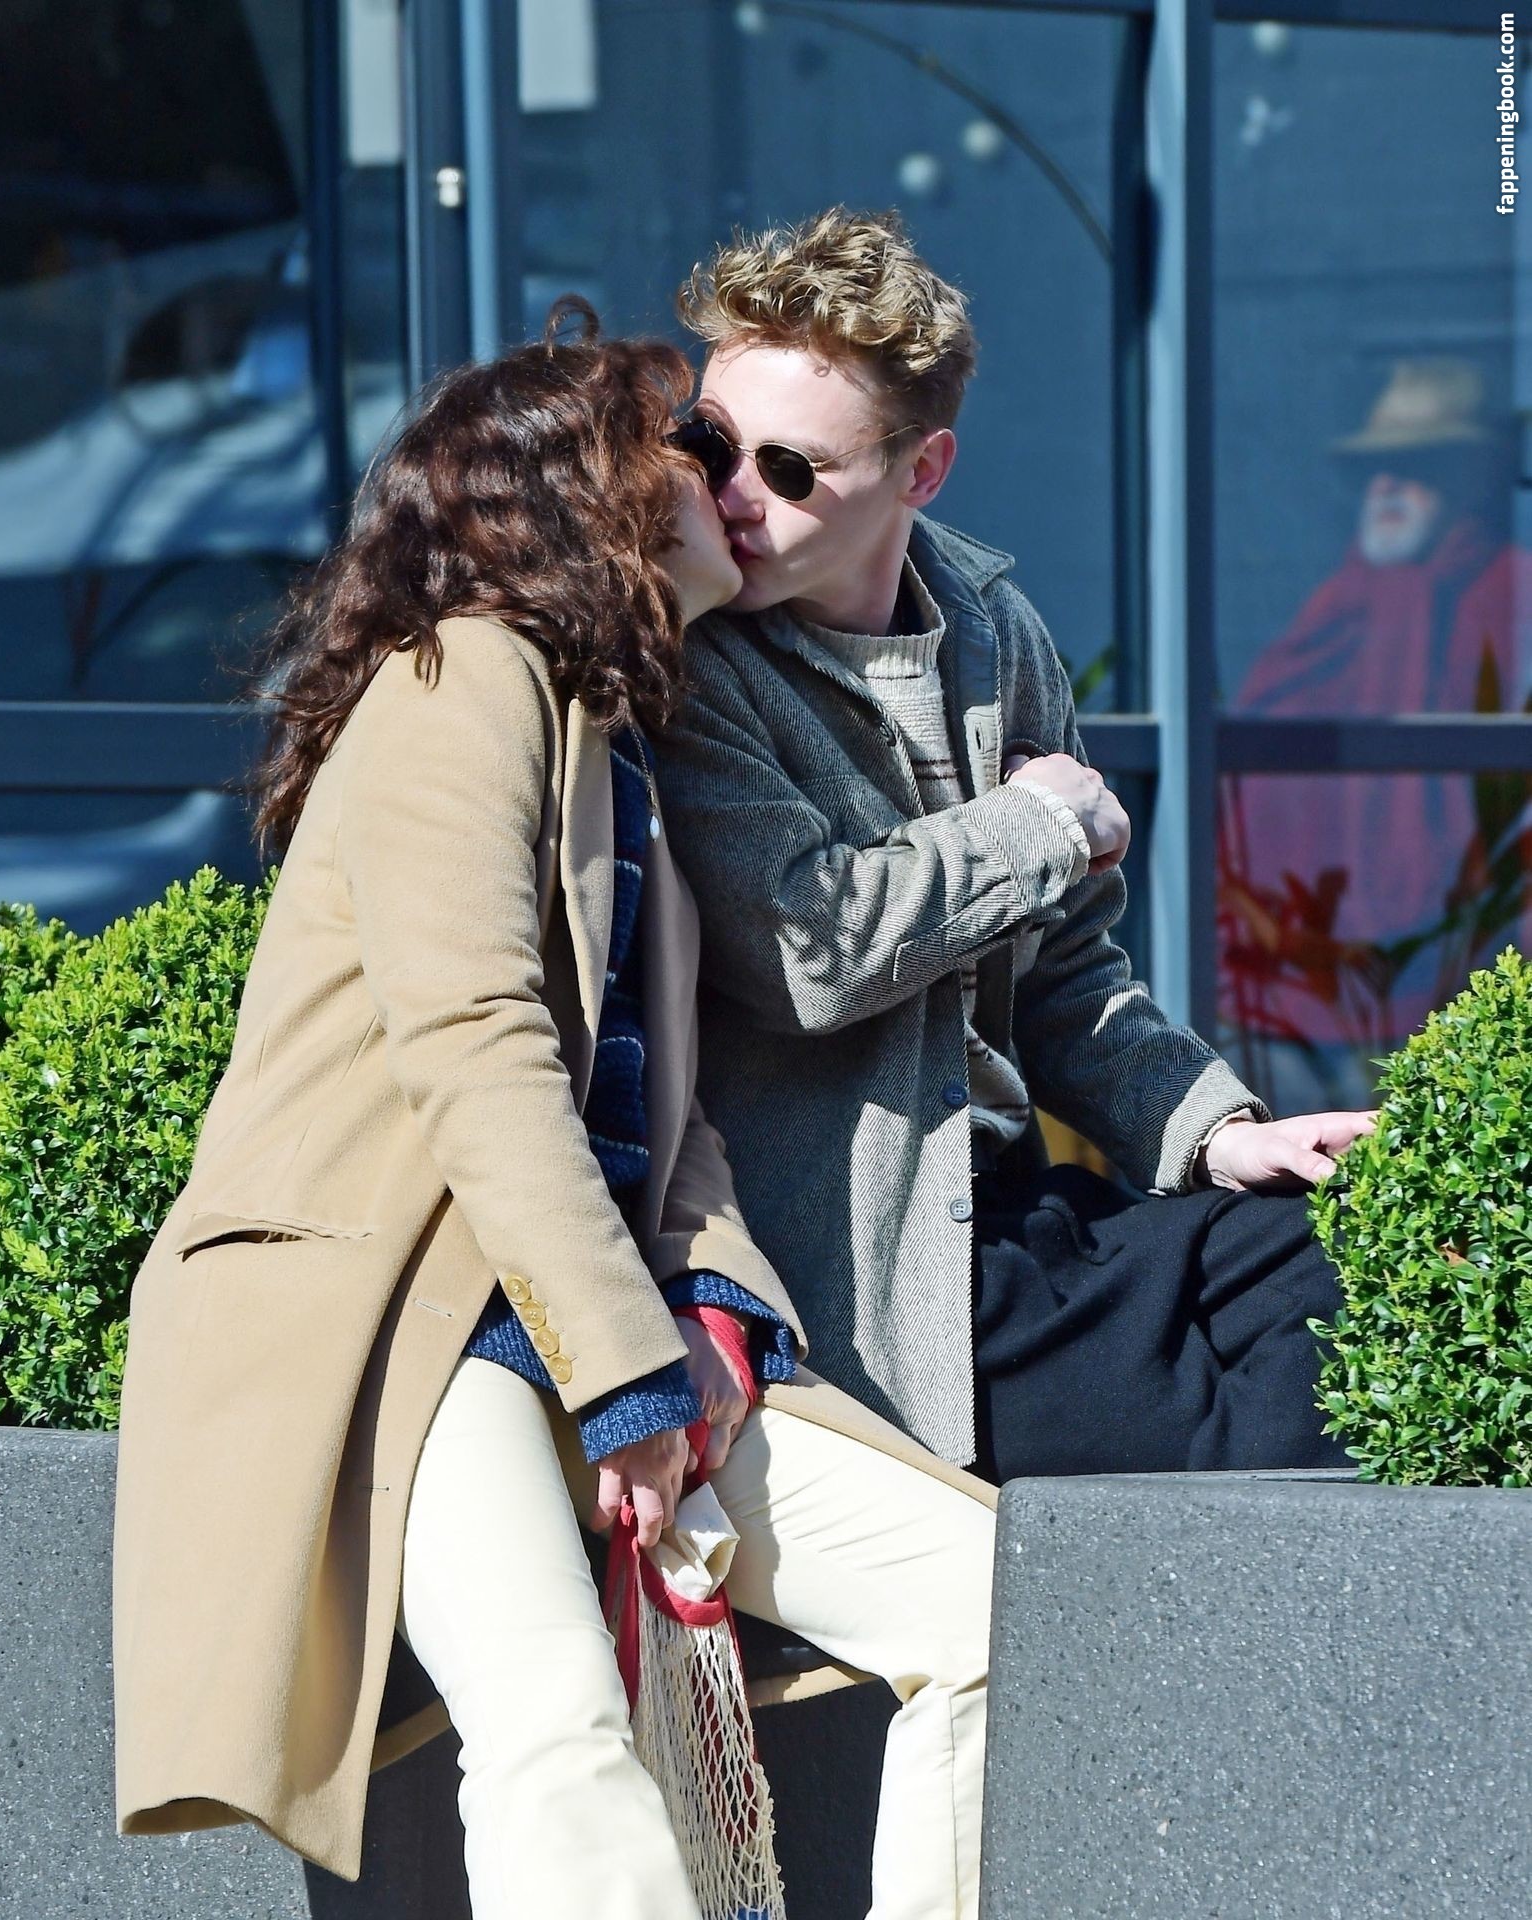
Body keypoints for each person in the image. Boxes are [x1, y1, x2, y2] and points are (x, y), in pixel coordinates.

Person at [110, 301, 997, 1920]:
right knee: (555, 1730)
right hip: (405, 1317)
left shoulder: (614, 736)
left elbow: (663, 1113)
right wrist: (628, 1386)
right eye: (693, 442)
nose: (728, 477)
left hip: (591, 1316)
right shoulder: (463, 674)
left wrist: (712, 1307)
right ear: (586, 488)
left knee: (977, 1603)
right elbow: (480, 1049)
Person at [651, 207, 1376, 1486]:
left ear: (921, 471)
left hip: (1024, 1208)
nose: (734, 495)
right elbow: (804, 951)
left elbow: (1066, 976)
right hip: (871, 1273)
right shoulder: (694, 657)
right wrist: (1032, 825)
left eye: (791, 468)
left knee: (1349, 1270)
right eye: (711, 443)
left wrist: (1215, 1132)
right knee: (1225, 1441)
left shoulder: (990, 627)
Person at [1220, 355, 1532, 1110]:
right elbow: (1242, 781)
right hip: (1300, 981)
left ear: (1468, 483)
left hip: (1468, 974)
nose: (1386, 487)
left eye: (1418, 470)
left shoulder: (1511, 594)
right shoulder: (1336, 604)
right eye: (1374, 472)